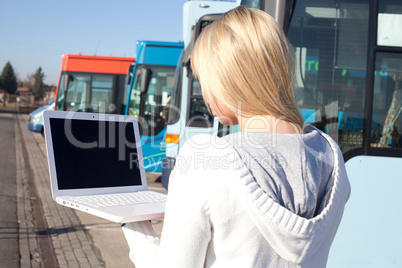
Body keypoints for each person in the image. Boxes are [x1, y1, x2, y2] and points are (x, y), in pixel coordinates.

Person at [122, 6, 351, 267]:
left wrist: (138, 235)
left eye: (204, 81)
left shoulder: (204, 159)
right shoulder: (331, 155)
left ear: (228, 79)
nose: (206, 94)